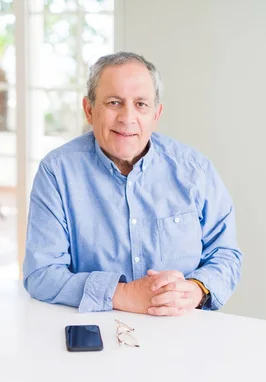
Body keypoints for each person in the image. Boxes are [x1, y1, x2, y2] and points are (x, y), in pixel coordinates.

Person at [22, 51, 242, 316]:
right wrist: (122, 294)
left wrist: (195, 289)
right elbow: (41, 274)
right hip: (98, 334)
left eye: (141, 104)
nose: (127, 118)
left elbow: (226, 254)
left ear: (156, 113)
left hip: (182, 331)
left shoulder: (195, 170)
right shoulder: (56, 173)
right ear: (89, 110)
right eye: (114, 102)